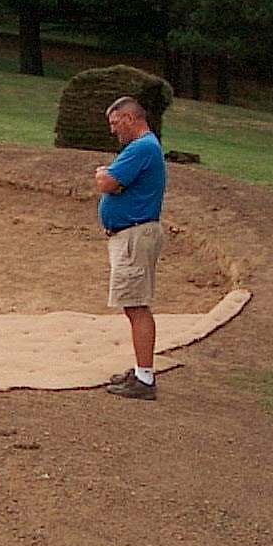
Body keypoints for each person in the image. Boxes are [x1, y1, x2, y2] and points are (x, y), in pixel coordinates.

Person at [95, 96, 167, 400]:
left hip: (134, 236)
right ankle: (141, 371)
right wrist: (111, 180)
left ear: (129, 118)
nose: (114, 131)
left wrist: (105, 176)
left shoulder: (141, 148)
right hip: (131, 235)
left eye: (115, 123)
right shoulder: (144, 148)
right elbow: (113, 182)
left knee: (137, 305)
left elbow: (106, 182)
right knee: (133, 303)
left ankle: (145, 378)